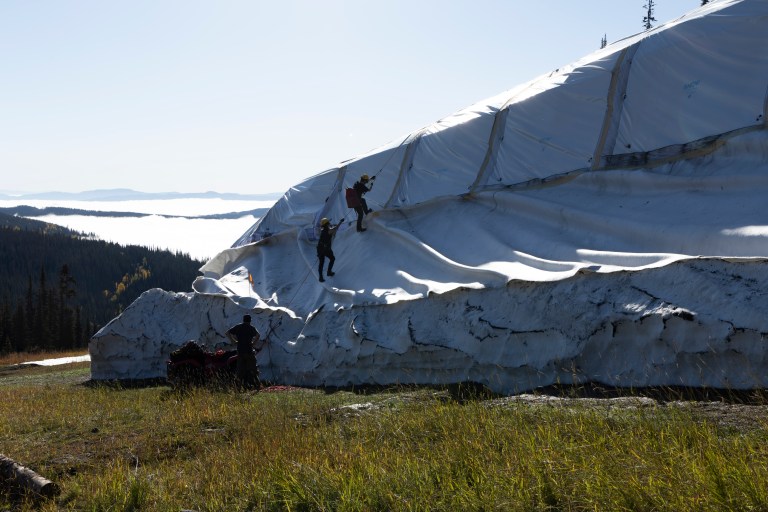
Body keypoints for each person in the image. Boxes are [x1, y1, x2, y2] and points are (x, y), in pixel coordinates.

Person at [226, 314, 265, 389]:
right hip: (249, 352)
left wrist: (233, 341)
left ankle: (238, 387)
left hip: (240, 352)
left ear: (243, 320)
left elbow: (227, 333)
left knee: (240, 371)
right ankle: (256, 386)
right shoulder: (251, 328)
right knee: (253, 369)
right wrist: (253, 343)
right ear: (250, 320)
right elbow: (258, 335)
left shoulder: (238, 327)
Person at [317, 217, 341, 282]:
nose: (329, 223)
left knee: (321, 263)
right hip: (326, 248)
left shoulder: (322, 230)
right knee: (332, 258)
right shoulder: (329, 230)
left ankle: (320, 277)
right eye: (328, 223)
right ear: (327, 224)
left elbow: (332, 228)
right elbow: (335, 229)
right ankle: (329, 272)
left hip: (319, 248)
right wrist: (340, 222)